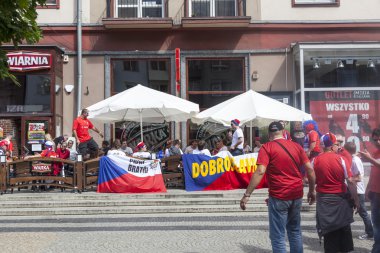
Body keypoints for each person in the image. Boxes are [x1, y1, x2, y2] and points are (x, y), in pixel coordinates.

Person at [240, 121, 316, 253]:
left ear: (269, 134)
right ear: (283, 132)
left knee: (278, 236)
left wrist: (247, 195)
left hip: (279, 195)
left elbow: (260, 171)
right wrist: (311, 190)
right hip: (296, 194)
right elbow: (310, 169)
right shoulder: (296, 147)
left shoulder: (267, 147)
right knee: (295, 231)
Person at [313, 133, 359, 253]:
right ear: (333, 145)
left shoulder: (316, 160)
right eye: (337, 144)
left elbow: (311, 179)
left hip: (323, 200)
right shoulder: (341, 159)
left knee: (328, 233)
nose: (339, 147)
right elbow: (350, 181)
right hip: (340, 199)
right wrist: (357, 200)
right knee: (344, 231)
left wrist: (312, 191)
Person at [344, 141, 374, 240]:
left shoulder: (354, 160)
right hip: (353, 189)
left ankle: (370, 232)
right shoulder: (352, 158)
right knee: (348, 210)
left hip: (358, 191)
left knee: (363, 212)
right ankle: (345, 232)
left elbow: (359, 177)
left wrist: (348, 179)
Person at [359, 128, 380, 253]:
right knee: (376, 225)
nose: (378, 142)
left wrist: (369, 158)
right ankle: (377, 247)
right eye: (375, 139)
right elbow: (374, 172)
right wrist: (368, 188)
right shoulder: (376, 152)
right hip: (375, 194)